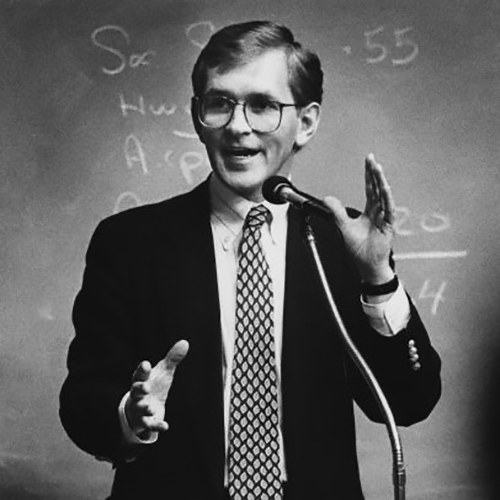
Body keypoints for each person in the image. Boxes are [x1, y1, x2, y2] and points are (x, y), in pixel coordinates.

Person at [60, 20, 441, 500]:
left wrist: (378, 279)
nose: (239, 126)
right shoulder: (129, 242)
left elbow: (410, 402)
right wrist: (128, 416)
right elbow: (81, 402)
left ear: (305, 122)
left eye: (262, 105)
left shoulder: (340, 242)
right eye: (220, 103)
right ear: (198, 116)